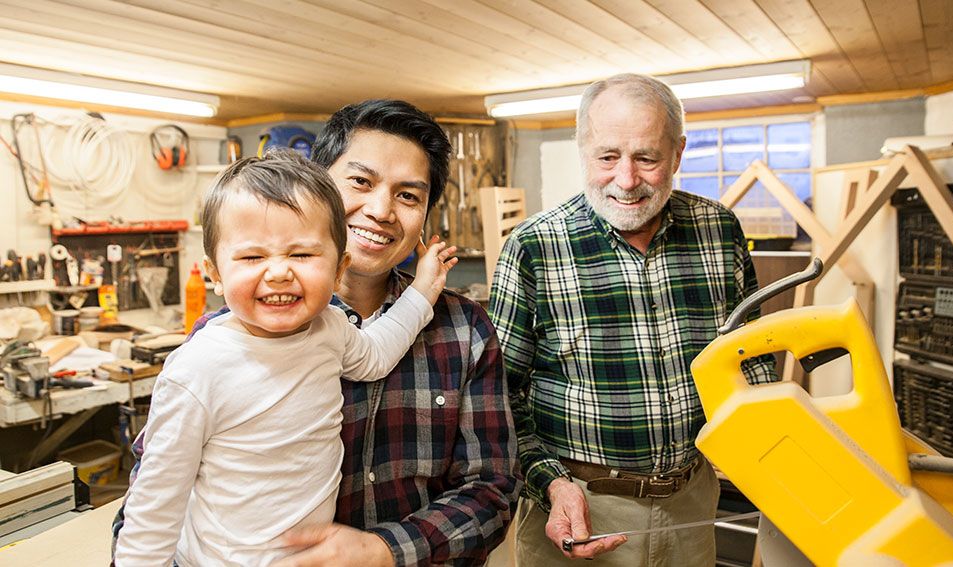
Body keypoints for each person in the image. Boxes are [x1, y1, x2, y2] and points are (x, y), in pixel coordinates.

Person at [113, 100, 522, 566]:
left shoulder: (463, 331)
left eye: (408, 195)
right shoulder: (216, 347)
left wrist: (383, 550)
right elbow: (150, 502)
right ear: (320, 186)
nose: (382, 210)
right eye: (361, 182)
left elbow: (492, 492)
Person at [489, 74, 777, 566]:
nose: (626, 180)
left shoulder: (719, 230)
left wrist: (767, 439)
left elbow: (749, 359)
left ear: (678, 153)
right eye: (607, 157)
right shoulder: (535, 246)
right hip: (579, 509)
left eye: (647, 157)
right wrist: (552, 484)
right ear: (583, 151)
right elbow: (498, 400)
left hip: (692, 498)